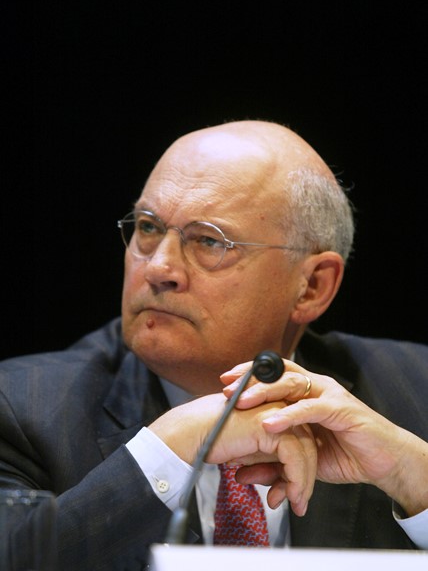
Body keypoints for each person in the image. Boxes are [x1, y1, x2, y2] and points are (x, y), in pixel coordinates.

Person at [0, 120, 427, 570]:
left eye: (208, 241)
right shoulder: (21, 410)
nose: (158, 268)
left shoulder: (415, 395)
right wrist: (172, 446)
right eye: (148, 227)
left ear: (312, 287)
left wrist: (414, 478)